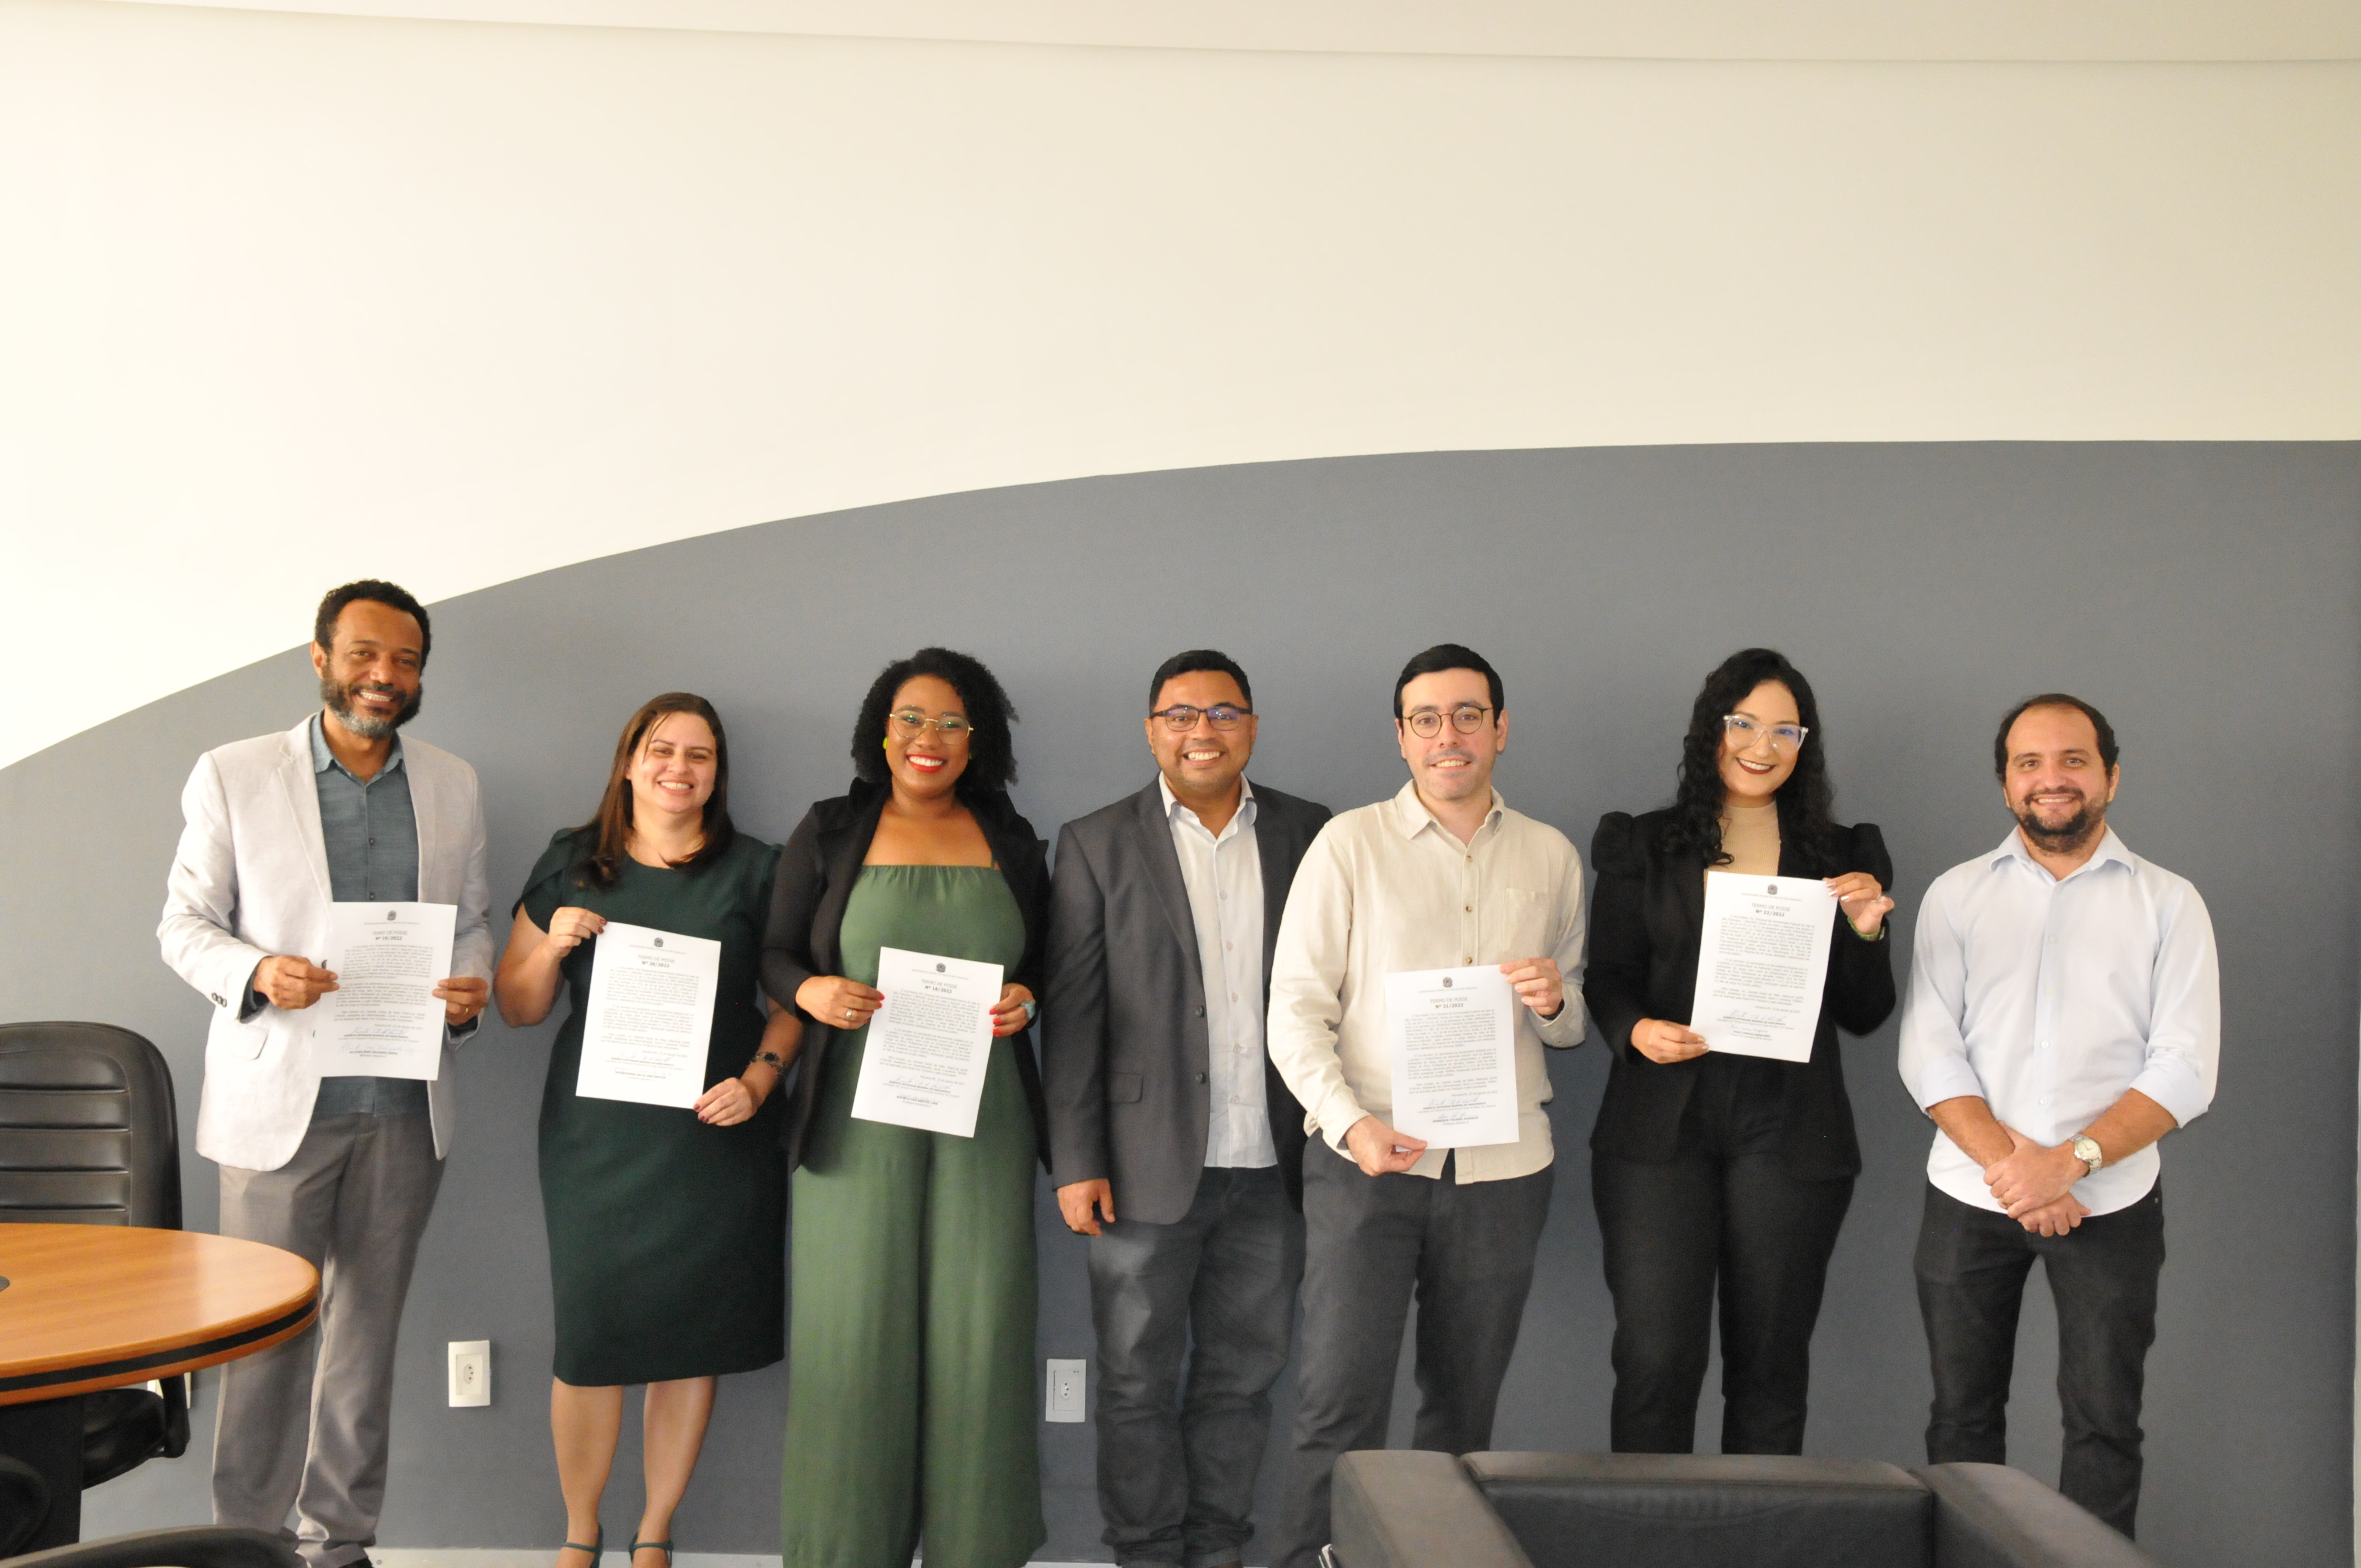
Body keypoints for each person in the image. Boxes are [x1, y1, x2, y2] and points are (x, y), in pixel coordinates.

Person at [157, 580, 493, 1568]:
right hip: (277, 1108)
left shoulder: (454, 783)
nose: (385, 676)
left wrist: (469, 988)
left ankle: (340, 1543)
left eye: (405, 661)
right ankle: (247, 1548)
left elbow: (471, 920)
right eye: (364, 655)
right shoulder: (233, 773)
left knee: (366, 1341)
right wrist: (258, 972)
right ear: (320, 658)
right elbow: (183, 925)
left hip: (404, 1105)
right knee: (263, 1343)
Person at [1263, 643, 1587, 1568]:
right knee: (1338, 1405)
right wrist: (1350, 1126)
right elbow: (1294, 1011)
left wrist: (1554, 1002)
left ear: (1501, 728)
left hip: (1503, 1173)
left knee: (1464, 1415)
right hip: (1367, 1162)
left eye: (1469, 715)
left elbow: (1573, 1022)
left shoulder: (1550, 855)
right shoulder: (1349, 845)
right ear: (1402, 737)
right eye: (1428, 719)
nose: (1450, 735)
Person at [1897, 694, 2217, 1539]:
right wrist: (2018, 1171)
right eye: (2029, 763)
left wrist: (2067, 1163)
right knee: (1961, 1423)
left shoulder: (2170, 903)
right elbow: (1930, 1052)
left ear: (2111, 776)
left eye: (2074, 759)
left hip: (2110, 1200)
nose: (2052, 778)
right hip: (1970, 1196)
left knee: (2105, 1426)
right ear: (2006, 784)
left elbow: (2185, 1069)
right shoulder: (1957, 895)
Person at [760, 648, 1051, 1568]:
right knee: (855, 1330)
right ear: (881, 733)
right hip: (853, 1118)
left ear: (979, 741)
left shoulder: (1012, 837)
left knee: (981, 1329)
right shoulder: (830, 828)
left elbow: (1047, 959)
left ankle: (977, 1546)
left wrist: (1029, 997)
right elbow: (774, 952)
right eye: (912, 719)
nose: (931, 738)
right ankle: (845, 1549)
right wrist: (810, 993)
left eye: (953, 723)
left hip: (986, 1118)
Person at [1042, 650, 1332, 1568]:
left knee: (1242, 1381)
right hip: (1140, 1167)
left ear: (1252, 726)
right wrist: (1077, 1159)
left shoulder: (1310, 833)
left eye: (1222, 712)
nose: (1201, 731)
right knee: (1135, 1383)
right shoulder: (1094, 841)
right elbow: (1074, 1014)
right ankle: (1144, 1551)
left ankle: (1217, 1550)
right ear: (1151, 730)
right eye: (1180, 714)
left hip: (1276, 1165)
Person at [492, 693, 795, 1568]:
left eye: (699, 755)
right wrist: (551, 946)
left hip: (714, 1136)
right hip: (598, 1144)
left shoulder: (760, 869)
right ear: (629, 762)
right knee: (591, 1339)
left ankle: (656, 1529)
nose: (679, 768)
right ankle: (580, 1532)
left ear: (718, 773)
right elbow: (516, 1006)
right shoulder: (572, 861)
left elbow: (793, 1003)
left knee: (690, 1341)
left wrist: (760, 1082)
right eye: (662, 750)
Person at [1582, 649, 1897, 1457]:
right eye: (1744, 724)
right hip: (1659, 1126)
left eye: (1786, 730)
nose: (1763, 746)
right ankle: (1646, 1527)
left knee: (1770, 1367)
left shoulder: (1844, 852)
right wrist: (1635, 1032)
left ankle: (1758, 1526)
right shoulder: (1643, 842)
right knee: (1655, 1360)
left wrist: (1866, 932)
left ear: (1805, 745)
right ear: (1711, 730)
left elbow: (1865, 1013)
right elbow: (1608, 975)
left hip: (1790, 1128)